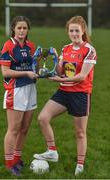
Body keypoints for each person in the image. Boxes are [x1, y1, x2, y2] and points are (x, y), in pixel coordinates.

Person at [33, 16, 97, 176]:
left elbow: (82, 76)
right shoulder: (66, 48)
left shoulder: (89, 50)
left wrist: (58, 79)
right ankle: (52, 151)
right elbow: (60, 71)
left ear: (83, 31)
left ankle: (80, 164)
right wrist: (54, 59)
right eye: (71, 30)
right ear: (68, 32)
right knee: (42, 118)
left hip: (80, 94)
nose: (74, 33)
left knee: (80, 132)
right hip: (63, 92)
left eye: (77, 30)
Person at [0, 16, 38, 176]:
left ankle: (17, 159)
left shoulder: (30, 46)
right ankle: (9, 164)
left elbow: (35, 66)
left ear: (28, 30)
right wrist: (26, 72)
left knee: (25, 128)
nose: (21, 31)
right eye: (19, 28)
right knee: (13, 129)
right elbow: (5, 72)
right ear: (13, 28)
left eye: (24, 28)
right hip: (16, 90)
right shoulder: (8, 46)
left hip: (31, 89)